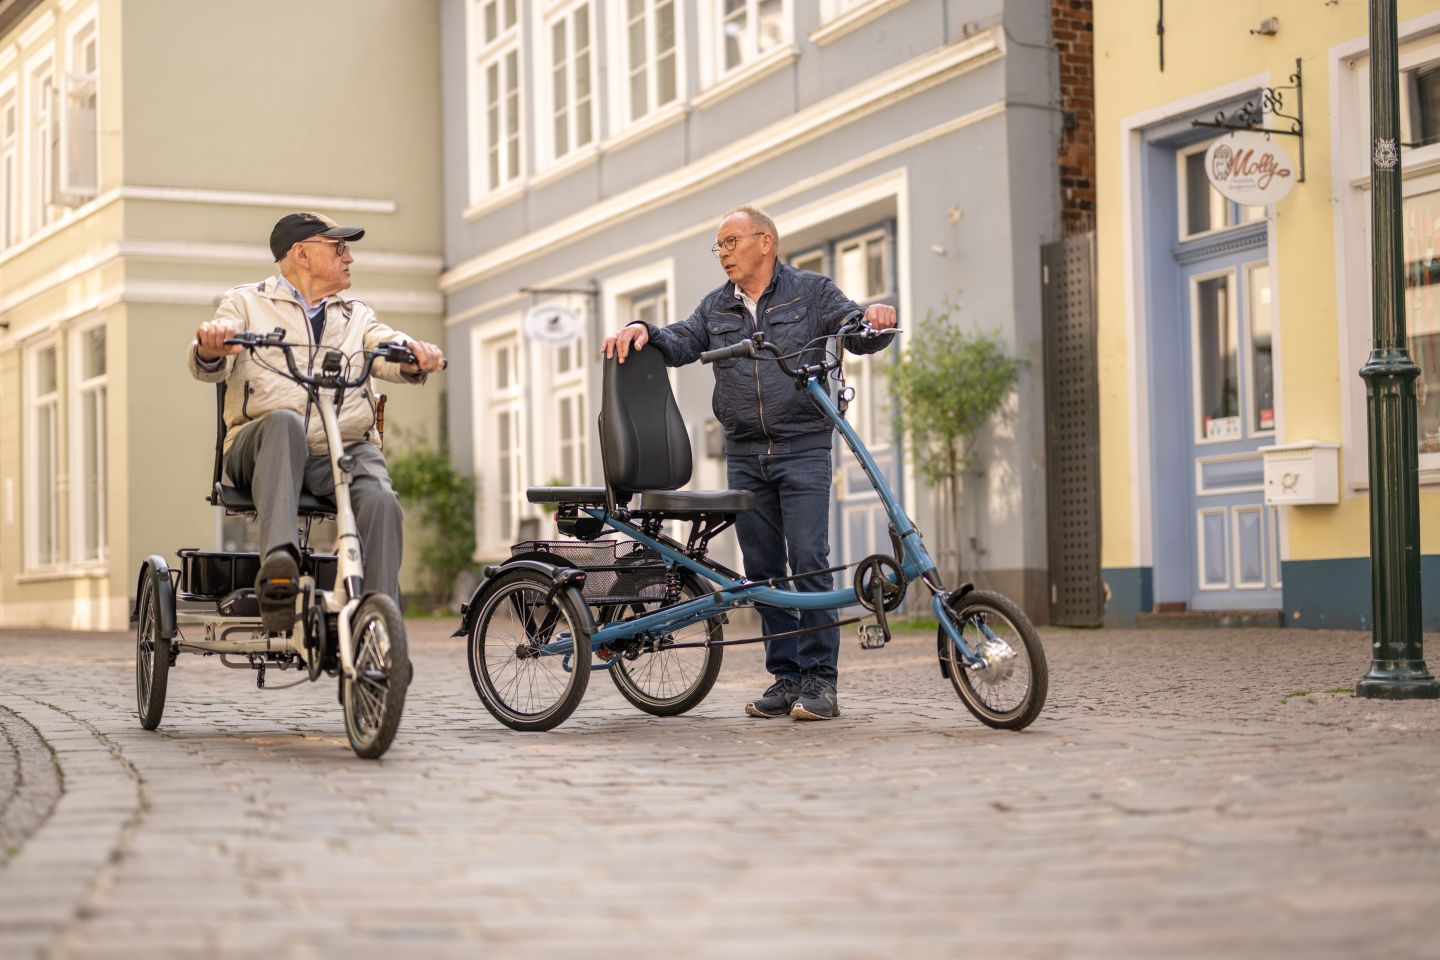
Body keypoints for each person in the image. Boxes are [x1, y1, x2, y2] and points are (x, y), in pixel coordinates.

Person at [603, 205, 896, 720]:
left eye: (730, 243)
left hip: (803, 446)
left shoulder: (812, 292)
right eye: (718, 246)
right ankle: (784, 679)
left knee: (810, 562)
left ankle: (820, 683)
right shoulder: (716, 307)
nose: (723, 254)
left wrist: (876, 319)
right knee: (761, 572)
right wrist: (641, 327)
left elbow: (855, 329)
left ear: (765, 242)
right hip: (743, 452)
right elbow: (679, 341)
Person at [188, 212, 446, 633]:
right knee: (285, 423)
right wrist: (213, 344)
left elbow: (385, 344)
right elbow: (213, 351)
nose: (350, 259)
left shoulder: (355, 315)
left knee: (382, 499)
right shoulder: (246, 302)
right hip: (261, 448)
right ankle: (278, 573)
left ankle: (379, 622)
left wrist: (413, 352)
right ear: (302, 254)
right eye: (339, 248)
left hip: (337, 451)